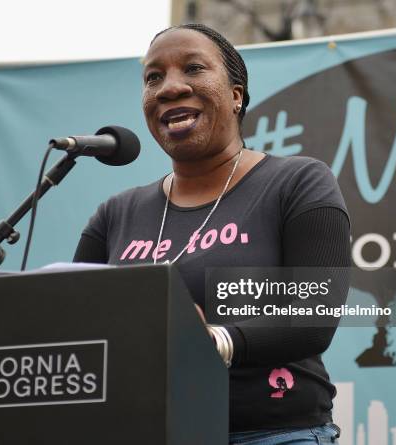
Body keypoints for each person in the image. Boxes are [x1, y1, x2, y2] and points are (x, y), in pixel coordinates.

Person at [74, 23, 350, 445]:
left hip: (272, 433)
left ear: (236, 95)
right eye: (153, 77)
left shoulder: (297, 182)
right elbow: (78, 329)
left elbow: (314, 318)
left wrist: (212, 341)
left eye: (193, 68)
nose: (169, 87)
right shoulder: (114, 214)